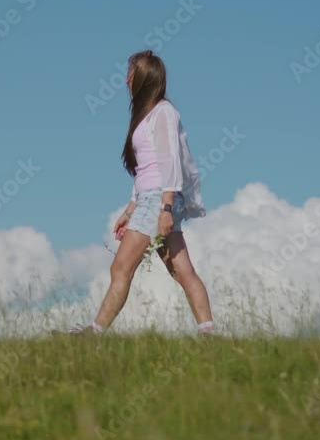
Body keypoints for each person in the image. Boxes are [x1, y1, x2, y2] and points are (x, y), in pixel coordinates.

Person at [72, 50, 214, 335]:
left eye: (131, 74)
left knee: (121, 268)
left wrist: (165, 208)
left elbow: (170, 161)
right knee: (183, 272)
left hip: (160, 199)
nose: (126, 80)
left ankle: (93, 334)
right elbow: (146, 171)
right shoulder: (149, 115)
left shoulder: (163, 113)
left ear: (144, 78)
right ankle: (210, 335)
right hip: (152, 199)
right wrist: (130, 208)